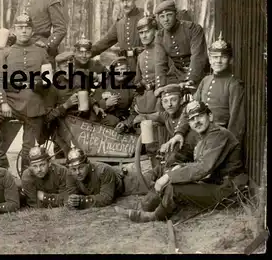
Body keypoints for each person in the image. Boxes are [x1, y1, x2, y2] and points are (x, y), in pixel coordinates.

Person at [116, 100, 247, 222]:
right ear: (189, 124)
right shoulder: (204, 136)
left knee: (173, 187)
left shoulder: (219, 134)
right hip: (216, 183)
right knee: (172, 173)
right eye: (192, 119)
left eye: (200, 116)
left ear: (210, 116)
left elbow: (203, 168)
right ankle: (144, 206)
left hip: (228, 191)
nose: (196, 122)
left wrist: (168, 176)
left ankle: (153, 216)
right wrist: (180, 168)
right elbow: (200, 164)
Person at [0, 12, 49, 171]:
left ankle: (27, 180)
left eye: (27, 28)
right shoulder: (5, 52)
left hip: (33, 104)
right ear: (15, 30)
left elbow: (48, 80)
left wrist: (41, 85)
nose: (24, 31)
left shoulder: (41, 52)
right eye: (20, 28)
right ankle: (0, 157)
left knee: (29, 150)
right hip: (9, 100)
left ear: (32, 31)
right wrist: (3, 102)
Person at [174, 32, 245, 143]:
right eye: (215, 57)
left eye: (223, 57)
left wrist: (230, 145)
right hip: (198, 133)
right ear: (210, 60)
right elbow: (190, 108)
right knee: (173, 153)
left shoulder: (234, 84)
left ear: (231, 60)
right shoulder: (205, 80)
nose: (218, 61)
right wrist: (179, 132)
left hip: (218, 136)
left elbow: (236, 121)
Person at [154, 0, 209, 89]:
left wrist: (190, 79)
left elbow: (198, 57)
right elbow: (160, 64)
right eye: (162, 17)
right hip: (177, 76)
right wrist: (160, 86)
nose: (166, 19)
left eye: (169, 15)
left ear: (176, 14)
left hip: (199, 75)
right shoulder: (160, 36)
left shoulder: (193, 29)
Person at [91, 0, 145, 70]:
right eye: (122, 1)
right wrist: (85, 52)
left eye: (128, 0)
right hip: (124, 68)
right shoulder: (119, 23)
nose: (125, 4)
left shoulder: (144, 18)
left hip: (143, 66)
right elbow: (104, 42)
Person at [65, 145, 125, 209]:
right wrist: (73, 200)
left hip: (125, 187)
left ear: (88, 164)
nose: (77, 173)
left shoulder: (103, 171)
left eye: (81, 168)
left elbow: (107, 198)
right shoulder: (70, 174)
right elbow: (73, 194)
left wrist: (82, 201)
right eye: (74, 169)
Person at [94, 57, 136, 132]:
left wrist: (125, 124)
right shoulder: (105, 84)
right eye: (117, 70)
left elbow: (134, 111)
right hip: (102, 123)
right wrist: (105, 104)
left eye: (123, 69)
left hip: (122, 123)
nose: (120, 73)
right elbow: (93, 104)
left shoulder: (131, 87)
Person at [20, 143, 68, 208]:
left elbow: (66, 200)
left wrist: (44, 197)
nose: (39, 169)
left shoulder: (61, 171)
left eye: (42, 165)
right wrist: (56, 199)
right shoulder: (27, 176)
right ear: (30, 166)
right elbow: (35, 205)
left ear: (49, 163)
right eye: (34, 166)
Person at [133, 13, 159, 115]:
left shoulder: (162, 52)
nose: (144, 35)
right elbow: (137, 81)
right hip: (144, 102)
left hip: (161, 101)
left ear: (155, 32)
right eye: (141, 33)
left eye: (147, 32)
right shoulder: (141, 56)